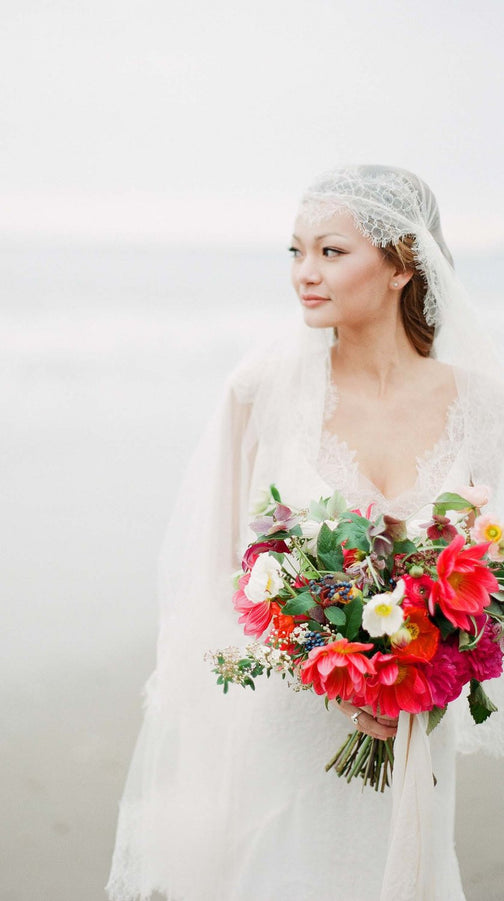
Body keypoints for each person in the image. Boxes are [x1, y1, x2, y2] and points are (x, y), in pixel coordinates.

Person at [106, 165, 504, 900]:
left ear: (401, 264)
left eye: (330, 251)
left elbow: (492, 574)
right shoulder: (263, 392)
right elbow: (217, 578)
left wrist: (428, 658)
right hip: (285, 733)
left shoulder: (481, 405)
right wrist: (326, 657)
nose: (304, 274)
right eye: (295, 252)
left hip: (413, 738)